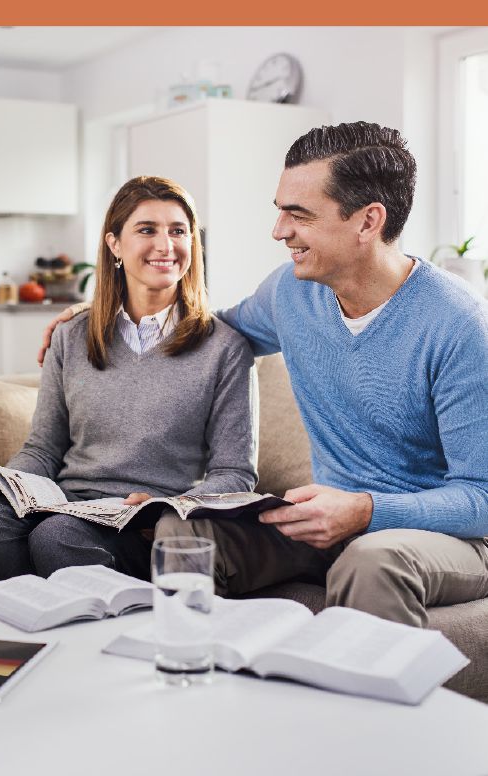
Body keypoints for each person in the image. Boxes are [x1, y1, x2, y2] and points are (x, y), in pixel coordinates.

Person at [39, 122, 488, 627]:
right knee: (183, 532)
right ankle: (195, 685)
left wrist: (365, 510)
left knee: (373, 560)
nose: (279, 230)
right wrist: (96, 312)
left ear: (368, 221)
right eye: (280, 210)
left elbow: (481, 497)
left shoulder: (459, 325)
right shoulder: (292, 293)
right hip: (327, 526)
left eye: (298, 215)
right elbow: (203, 333)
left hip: (446, 539)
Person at [0, 176, 257, 582]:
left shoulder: (225, 348)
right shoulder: (71, 334)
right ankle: (52, 615)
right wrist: (9, 483)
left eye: (178, 231)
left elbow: (235, 473)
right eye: (147, 230)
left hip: (147, 519)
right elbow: (43, 448)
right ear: (114, 244)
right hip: (68, 503)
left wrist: (168, 506)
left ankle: (59, 616)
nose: (165, 245)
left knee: (56, 538)